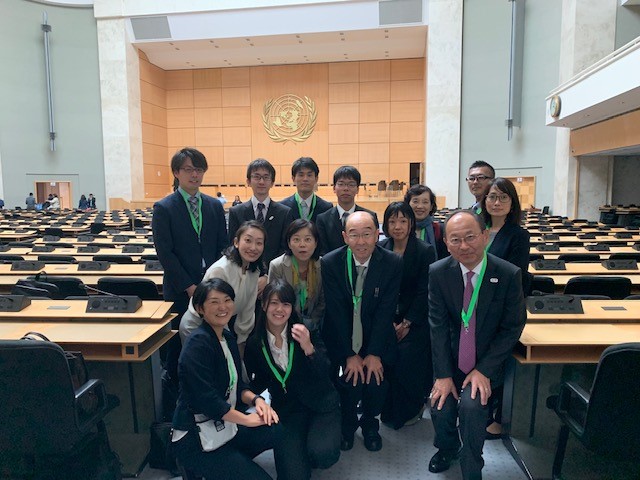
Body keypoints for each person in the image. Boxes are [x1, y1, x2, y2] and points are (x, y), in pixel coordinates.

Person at [427, 210, 526, 480]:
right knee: (440, 405)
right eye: (455, 240)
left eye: (470, 237)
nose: (464, 246)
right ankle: (446, 449)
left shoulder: (507, 273)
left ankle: (472, 464)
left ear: (484, 236)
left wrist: (484, 369)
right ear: (446, 243)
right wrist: (444, 374)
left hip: (485, 363)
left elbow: (512, 327)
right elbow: (436, 325)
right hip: (451, 359)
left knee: (471, 407)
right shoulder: (438, 272)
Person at [171, 278, 283, 480]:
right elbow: (207, 402)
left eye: (227, 300)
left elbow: (238, 386)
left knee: (277, 428)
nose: (222, 307)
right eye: (214, 302)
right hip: (197, 436)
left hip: (224, 427)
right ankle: (204, 466)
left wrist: (257, 401)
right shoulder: (197, 344)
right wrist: (247, 420)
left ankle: (228, 466)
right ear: (200, 308)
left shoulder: (227, 337)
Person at [152, 147, 229, 417]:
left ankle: (215, 397)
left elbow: (223, 246)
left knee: (214, 342)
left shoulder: (214, 206)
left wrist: (209, 285)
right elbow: (165, 252)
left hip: (212, 289)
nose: (194, 174)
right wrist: (189, 287)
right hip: (180, 290)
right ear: (176, 173)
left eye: (199, 169)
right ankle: (180, 407)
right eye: (188, 169)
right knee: (179, 349)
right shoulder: (164, 208)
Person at [321, 211, 402, 452]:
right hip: (342, 336)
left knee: (376, 381)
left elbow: (386, 310)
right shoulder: (331, 262)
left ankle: (370, 425)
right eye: (354, 235)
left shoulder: (392, 262)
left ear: (377, 234)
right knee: (349, 380)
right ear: (345, 237)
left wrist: (374, 353)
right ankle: (347, 425)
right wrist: (349, 354)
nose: (361, 241)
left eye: (367, 234)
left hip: (377, 336)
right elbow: (335, 311)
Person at [244, 280, 341, 479]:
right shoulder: (255, 341)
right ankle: (301, 445)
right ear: (263, 305)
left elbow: (326, 371)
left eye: (286, 304)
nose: (280, 310)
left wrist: (308, 348)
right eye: (274, 303)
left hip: (320, 403)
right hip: (288, 411)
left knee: (322, 454)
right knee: (292, 476)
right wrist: (250, 399)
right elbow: (259, 380)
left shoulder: (307, 328)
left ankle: (316, 441)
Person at [480, 177, 531, 439]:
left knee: (495, 359)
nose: (496, 202)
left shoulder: (519, 235)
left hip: (500, 307)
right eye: (491, 196)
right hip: (473, 303)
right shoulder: (479, 228)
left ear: (512, 203)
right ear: (484, 200)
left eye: (503, 197)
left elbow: (516, 274)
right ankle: (476, 409)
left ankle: (496, 417)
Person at [378, 202, 436, 430]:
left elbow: (425, 290)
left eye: (403, 221)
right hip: (386, 319)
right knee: (385, 358)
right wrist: (388, 322)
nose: (397, 226)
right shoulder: (381, 247)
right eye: (392, 221)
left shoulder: (424, 250)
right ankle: (386, 406)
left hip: (415, 319)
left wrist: (407, 322)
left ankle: (412, 408)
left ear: (411, 224)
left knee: (406, 360)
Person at [180, 221, 266, 355]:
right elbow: (215, 310)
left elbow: (248, 310)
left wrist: (241, 341)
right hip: (199, 326)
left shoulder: (254, 271)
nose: (253, 247)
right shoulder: (221, 270)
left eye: (259, 243)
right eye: (248, 240)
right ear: (236, 242)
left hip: (223, 325)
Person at [228, 158, 294, 267]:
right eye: (257, 177)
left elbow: (285, 247)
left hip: (275, 273)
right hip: (244, 271)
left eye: (266, 177)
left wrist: (269, 272)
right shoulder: (236, 212)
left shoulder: (284, 212)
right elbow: (233, 245)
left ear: (272, 182)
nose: (261, 182)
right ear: (248, 181)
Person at [268, 219, 325, 332]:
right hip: (283, 323)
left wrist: (312, 322)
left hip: (314, 324)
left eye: (308, 239)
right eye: (296, 239)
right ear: (289, 243)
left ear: (316, 242)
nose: (302, 245)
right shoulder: (277, 266)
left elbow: (323, 301)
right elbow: (272, 301)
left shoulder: (323, 265)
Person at [316, 166, 378, 256]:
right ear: (334, 188)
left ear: (357, 189)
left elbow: (373, 247)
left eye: (351, 184)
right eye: (341, 184)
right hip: (333, 267)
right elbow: (323, 251)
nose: (346, 188)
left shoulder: (370, 217)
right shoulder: (323, 219)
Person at [280, 157, 332, 223]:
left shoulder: (326, 208)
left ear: (316, 179)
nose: (305, 179)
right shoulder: (283, 207)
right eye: (301, 175)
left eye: (309, 175)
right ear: (293, 179)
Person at [405, 184, 447, 259]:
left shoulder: (440, 230)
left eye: (425, 202)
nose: (420, 206)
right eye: (415, 201)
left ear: (431, 206)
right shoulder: (402, 229)